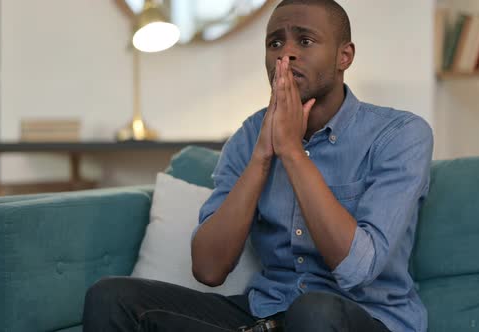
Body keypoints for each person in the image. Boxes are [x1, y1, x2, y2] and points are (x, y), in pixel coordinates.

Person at [83, 0, 433, 331]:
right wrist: (262, 157)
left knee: (313, 310)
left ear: (345, 56)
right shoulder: (250, 136)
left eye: (305, 40)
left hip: (363, 318)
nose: (286, 53)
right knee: (112, 297)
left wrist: (293, 153)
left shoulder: (400, 135)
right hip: (264, 314)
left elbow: (359, 268)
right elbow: (208, 269)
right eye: (274, 43)